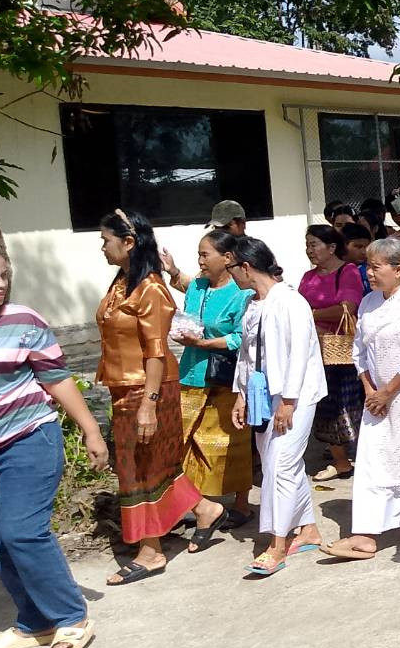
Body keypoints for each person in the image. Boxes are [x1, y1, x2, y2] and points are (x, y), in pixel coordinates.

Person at [0, 242, 108, 648]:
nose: (2, 284)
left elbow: (56, 379)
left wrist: (91, 430)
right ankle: (34, 621)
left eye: (5, 274)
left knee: (22, 531)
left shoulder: (24, 320)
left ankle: (70, 618)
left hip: (27, 439)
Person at [322, 238, 400, 559]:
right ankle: (365, 535)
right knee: (372, 460)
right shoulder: (368, 302)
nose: (369, 272)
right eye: (367, 265)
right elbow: (359, 351)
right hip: (378, 399)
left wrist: (388, 391)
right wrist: (370, 390)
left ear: (398, 269)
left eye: (376, 266)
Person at [96, 209, 205, 586]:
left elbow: (156, 352)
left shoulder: (151, 289)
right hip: (123, 387)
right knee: (148, 464)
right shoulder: (122, 282)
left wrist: (148, 404)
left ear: (128, 243)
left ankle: (152, 550)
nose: (102, 248)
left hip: (148, 388)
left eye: (106, 240)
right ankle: (204, 510)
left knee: (139, 470)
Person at [230, 237, 328, 576]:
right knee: (277, 461)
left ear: (246, 267)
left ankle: (277, 544)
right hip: (260, 395)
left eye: (233, 268)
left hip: (295, 395)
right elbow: (246, 354)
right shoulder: (252, 304)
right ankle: (309, 529)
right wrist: (241, 394)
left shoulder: (290, 302)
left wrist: (288, 400)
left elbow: (299, 354)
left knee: (281, 464)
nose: (232, 275)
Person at [173, 230, 255, 546]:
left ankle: (241, 504)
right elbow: (189, 317)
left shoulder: (241, 293)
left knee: (228, 444)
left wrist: (205, 342)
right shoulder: (196, 286)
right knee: (185, 441)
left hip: (225, 376)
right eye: (199, 254)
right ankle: (200, 505)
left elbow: (240, 337)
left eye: (205, 254)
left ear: (228, 258)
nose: (200, 261)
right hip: (191, 372)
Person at [300, 224, 366, 482]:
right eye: (307, 245)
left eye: (313, 244)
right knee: (324, 406)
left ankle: (355, 456)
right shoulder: (308, 277)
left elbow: (347, 309)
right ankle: (340, 460)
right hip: (314, 349)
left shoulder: (348, 272)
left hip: (341, 352)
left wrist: (312, 315)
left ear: (331, 247)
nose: (309, 250)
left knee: (346, 404)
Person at [341, 222, 374, 290]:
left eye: (367, 247)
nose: (364, 252)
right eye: (358, 247)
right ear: (343, 245)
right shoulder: (331, 269)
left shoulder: (370, 270)